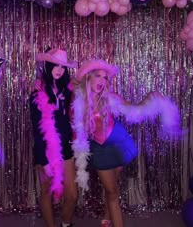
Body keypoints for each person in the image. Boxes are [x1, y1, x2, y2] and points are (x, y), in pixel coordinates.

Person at [71, 59, 181, 227]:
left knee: (112, 189)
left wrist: (150, 98)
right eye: (98, 76)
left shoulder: (111, 98)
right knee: (112, 192)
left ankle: (106, 220)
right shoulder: (78, 99)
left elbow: (134, 110)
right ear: (88, 78)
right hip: (100, 149)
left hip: (119, 143)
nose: (102, 81)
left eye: (105, 78)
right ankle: (109, 220)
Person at [30, 48, 78, 227]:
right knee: (46, 192)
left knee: (72, 194)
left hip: (66, 146)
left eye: (63, 66)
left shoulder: (68, 89)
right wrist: (44, 160)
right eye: (55, 65)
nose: (59, 69)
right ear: (48, 66)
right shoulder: (37, 93)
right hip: (46, 149)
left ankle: (65, 224)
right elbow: (37, 130)